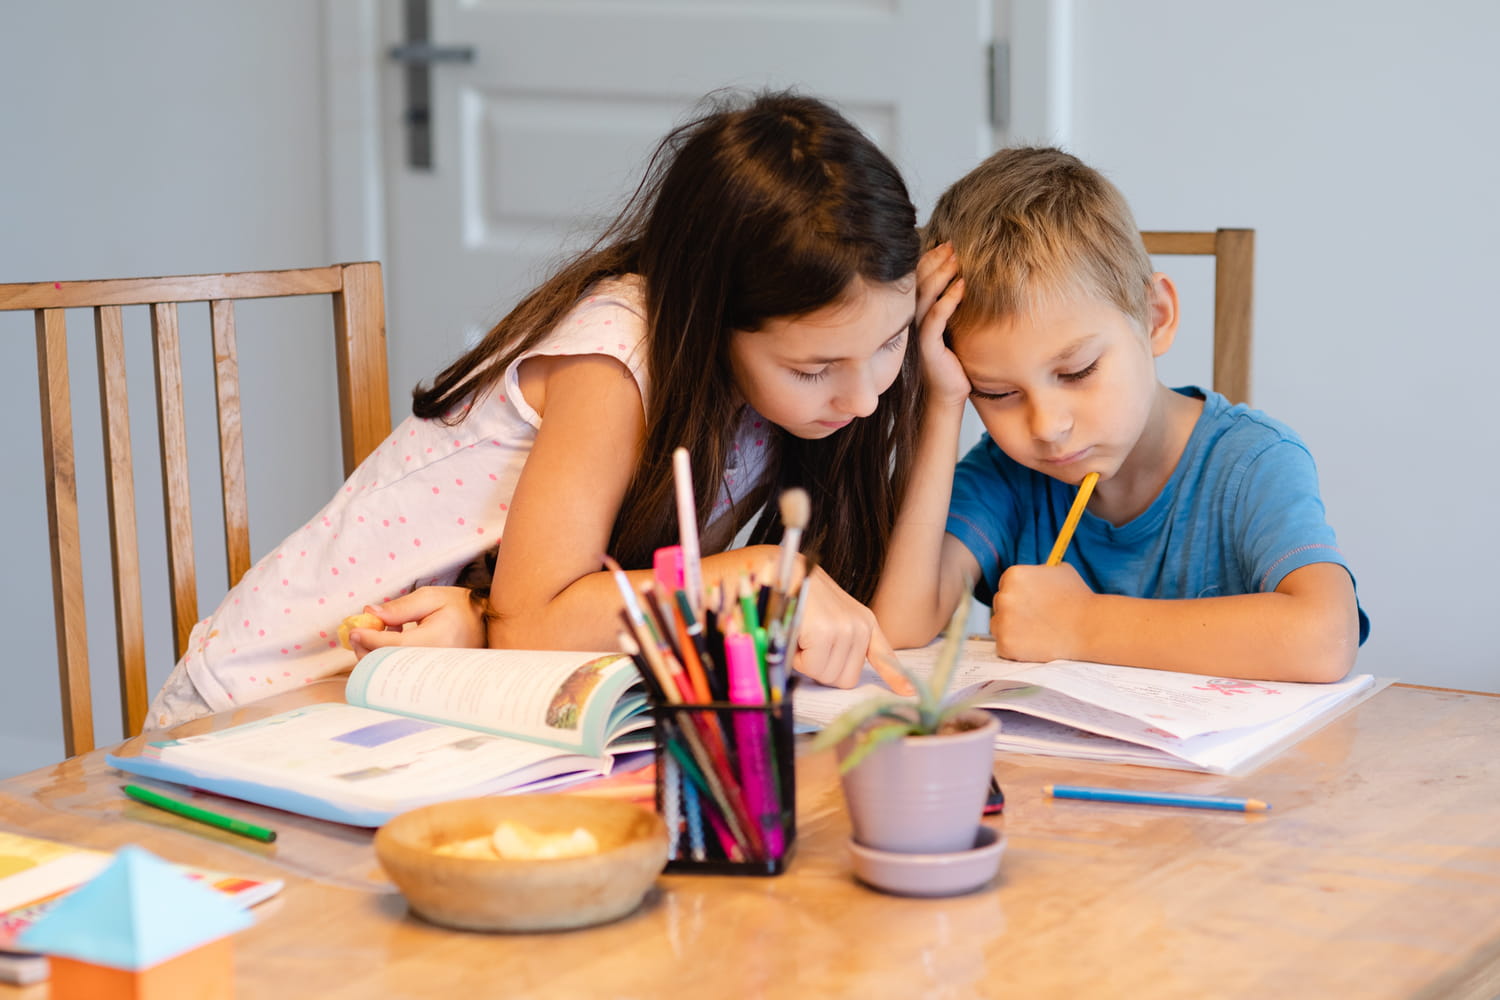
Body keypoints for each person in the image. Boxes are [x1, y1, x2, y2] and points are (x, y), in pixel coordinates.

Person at [147, 90, 923, 729]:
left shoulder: (786, 394)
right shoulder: (617, 360)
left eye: (891, 342)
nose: (861, 397)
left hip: (429, 690)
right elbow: (535, 624)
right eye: (814, 368)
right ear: (710, 315)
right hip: (274, 695)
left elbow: (891, 627)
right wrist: (751, 574)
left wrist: (943, 392)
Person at [873, 146, 1369, 682]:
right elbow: (901, 625)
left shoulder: (1252, 462)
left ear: (1156, 318)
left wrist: (1083, 625)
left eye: (1078, 371)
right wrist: (942, 402)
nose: (1047, 426)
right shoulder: (1005, 473)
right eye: (996, 393)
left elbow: (1327, 638)